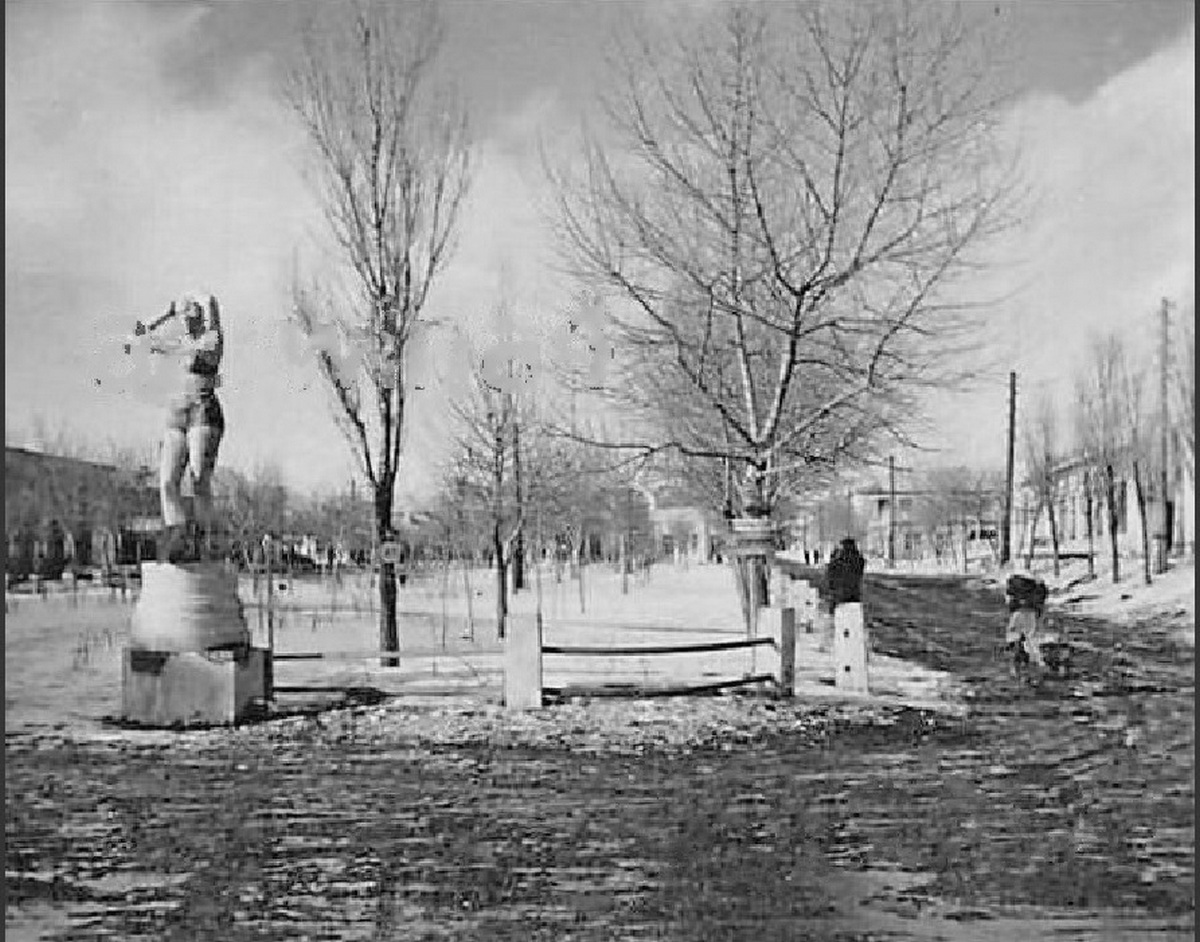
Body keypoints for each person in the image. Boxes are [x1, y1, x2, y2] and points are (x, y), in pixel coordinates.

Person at [139, 292, 225, 562]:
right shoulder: (175, 344)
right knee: (167, 481)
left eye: (192, 317)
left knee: (199, 478)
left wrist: (202, 302)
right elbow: (139, 336)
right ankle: (177, 533)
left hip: (203, 412)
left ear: (200, 319)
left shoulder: (211, 340)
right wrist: (166, 313)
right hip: (176, 414)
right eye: (184, 318)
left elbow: (212, 306)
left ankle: (204, 537)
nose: (187, 322)